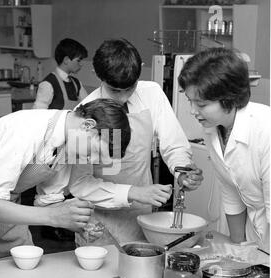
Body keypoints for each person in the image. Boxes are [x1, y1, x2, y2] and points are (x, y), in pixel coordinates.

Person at [0, 98, 132, 260]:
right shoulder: (27, 129)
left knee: (25, 269)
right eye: (96, 152)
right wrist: (54, 216)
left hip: (8, 205)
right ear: (87, 126)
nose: (91, 161)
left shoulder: (69, 144)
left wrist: (78, 222)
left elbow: (47, 202)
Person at [65, 38, 204, 246]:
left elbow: (173, 144)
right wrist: (133, 192)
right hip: (99, 222)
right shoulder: (82, 116)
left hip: (144, 218)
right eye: (114, 90)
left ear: (140, 69)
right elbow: (79, 184)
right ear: (96, 73)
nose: (121, 99)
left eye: (129, 89)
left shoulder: (153, 94)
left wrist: (181, 170)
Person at [178, 47, 270, 253]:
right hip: (258, 236)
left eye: (201, 104)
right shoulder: (214, 129)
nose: (193, 111)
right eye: (190, 101)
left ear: (229, 98)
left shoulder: (265, 131)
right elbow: (231, 190)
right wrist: (238, 248)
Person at [33, 38, 88, 110]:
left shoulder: (77, 84)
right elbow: (38, 113)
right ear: (66, 60)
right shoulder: (48, 84)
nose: (81, 64)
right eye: (78, 60)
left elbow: (88, 105)